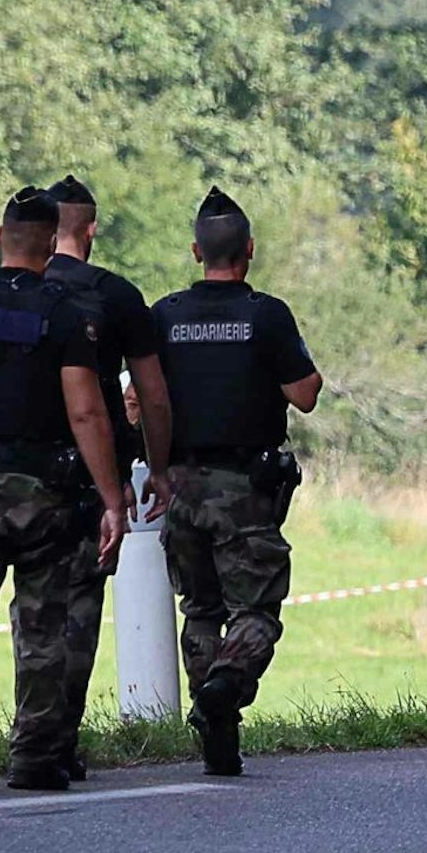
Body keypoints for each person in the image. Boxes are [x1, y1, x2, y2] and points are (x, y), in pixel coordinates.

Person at [0, 187, 127, 791]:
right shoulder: (62, 312)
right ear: (48, 241)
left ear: (0, 236)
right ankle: (35, 755)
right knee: (41, 622)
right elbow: (87, 412)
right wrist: (112, 499)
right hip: (43, 491)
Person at [151, 187, 322, 777]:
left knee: (199, 607)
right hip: (245, 490)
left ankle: (213, 726)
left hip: (180, 487)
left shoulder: (165, 316)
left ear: (197, 251)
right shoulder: (266, 315)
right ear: (249, 249)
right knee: (255, 609)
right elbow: (306, 394)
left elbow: (134, 401)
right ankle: (227, 681)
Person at [41, 175, 173, 781]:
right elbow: (151, 392)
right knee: (79, 611)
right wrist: (158, 465)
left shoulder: (8, 294)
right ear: (91, 229)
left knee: (26, 612)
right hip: (92, 479)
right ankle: (55, 737)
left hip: (9, 473)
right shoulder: (117, 296)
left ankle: (24, 727)